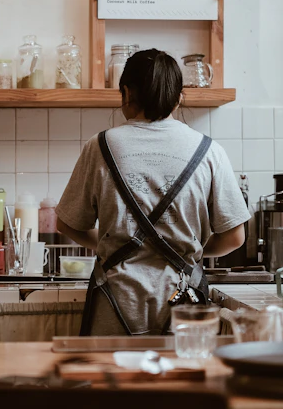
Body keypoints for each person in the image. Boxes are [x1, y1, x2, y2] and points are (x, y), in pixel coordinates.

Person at [56, 49, 250, 336]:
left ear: (125, 92)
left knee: (110, 378)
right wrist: (190, 253)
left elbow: (67, 224)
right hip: (183, 307)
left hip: (114, 302)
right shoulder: (209, 151)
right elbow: (235, 237)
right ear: (177, 96)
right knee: (180, 378)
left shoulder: (100, 147)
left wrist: (110, 248)